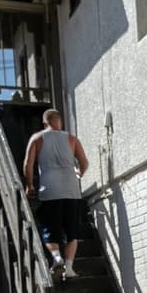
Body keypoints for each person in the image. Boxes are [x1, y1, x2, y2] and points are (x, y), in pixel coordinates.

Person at [24, 109, 89, 278]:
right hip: (72, 191)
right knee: (72, 233)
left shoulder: (37, 138)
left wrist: (30, 186)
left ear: (45, 123)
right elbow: (84, 163)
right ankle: (69, 268)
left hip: (50, 191)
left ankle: (57, 257)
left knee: (49, 230)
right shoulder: (72, 139)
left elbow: (28, 164)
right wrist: (78, 174)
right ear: (60, 122)